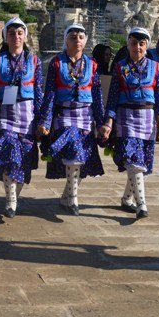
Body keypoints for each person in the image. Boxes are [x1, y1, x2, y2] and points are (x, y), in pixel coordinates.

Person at [98, 27, 159, 220]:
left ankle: (126, 198)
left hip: (147, 118)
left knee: (141, 162)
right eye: (133, 43)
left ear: (146, 46)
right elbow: (113, 97)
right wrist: (108, 122)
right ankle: (142, 204)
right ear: (128, 45)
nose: (137, 48)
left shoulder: (155, 67)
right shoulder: (120, 67)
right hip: (126, 117)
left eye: (141, 44)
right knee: (133, 160)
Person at [0, 17, 42, 218]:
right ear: (6, 37)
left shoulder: (34, 60)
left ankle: (14, 196)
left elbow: (38, 92)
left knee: (24, 160)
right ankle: (11, 200)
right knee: (10, 155)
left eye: (20, 33)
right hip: (6, 114)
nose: (16, 37)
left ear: (25, 36)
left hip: (27, 116)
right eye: (12, 33)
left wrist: (44, 120)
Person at [38, 23, 105, 216]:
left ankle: (67, 195)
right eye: (73, 37)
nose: (77, 40)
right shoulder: (57, 64)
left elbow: (97, 96)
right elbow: (49, 93)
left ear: (85, 41)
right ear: (66, 41)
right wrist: (45, 120)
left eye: (80, 37)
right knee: (75, 153)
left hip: (85, 116)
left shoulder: (92, 65)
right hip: (64, 115)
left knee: (80, 158)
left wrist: (101, 123)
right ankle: (74, 199)